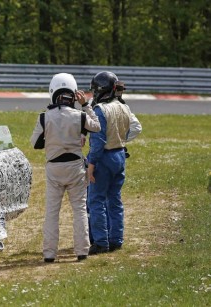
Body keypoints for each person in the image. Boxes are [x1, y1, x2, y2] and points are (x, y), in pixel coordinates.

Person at [31, 73, 101, 262]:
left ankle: (49, 254)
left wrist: (53, 139)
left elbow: (35, 143)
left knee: (52, 212)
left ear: (52, 92)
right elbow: (97, 126)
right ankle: (82, 251)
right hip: (75, 168)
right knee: (79, 209)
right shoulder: (79, 115)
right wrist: (86, 105)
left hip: (54, 168)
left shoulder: (44, 117)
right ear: (73, 93)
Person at [86, 71, 142, 255]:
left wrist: (91, 165)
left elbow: (98, 141)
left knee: (96, 201)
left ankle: (101, 242)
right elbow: (132, 128)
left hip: (104, 157)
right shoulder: (124, 107)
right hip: (120, 155)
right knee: (115, 200)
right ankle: (116, 239)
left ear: (101, 90)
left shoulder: (100, 110)